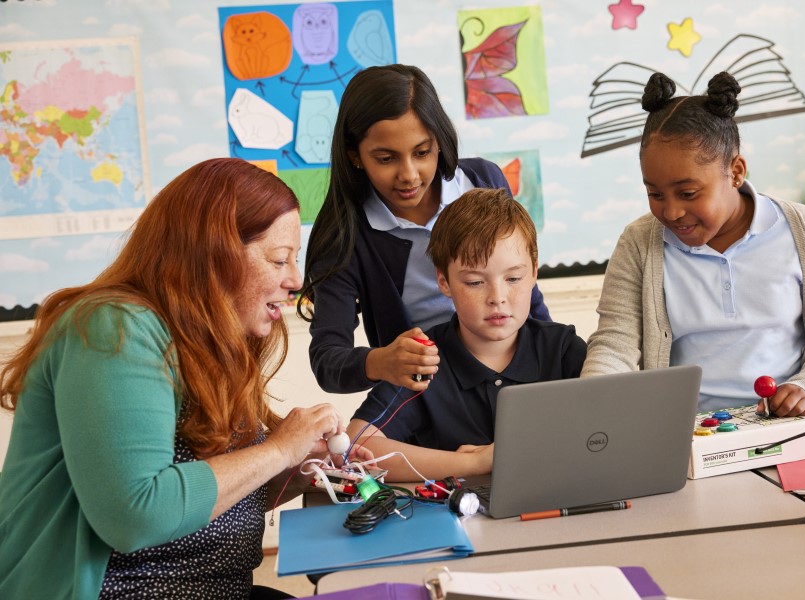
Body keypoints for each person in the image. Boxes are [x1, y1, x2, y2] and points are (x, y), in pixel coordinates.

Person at [0, 158, 370, 599]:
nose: (295, 279)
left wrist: (298, 469)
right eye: (279, 259)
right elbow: (138, 515)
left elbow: (204, 505)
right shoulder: (115, 326)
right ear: (213, 254)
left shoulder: (206, 343)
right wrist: (277, 449)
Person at [581, 71, 805, 420]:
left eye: (688, 193)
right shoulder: (639, 243)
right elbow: (616, 343)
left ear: (735, 171)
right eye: (654, 193)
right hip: (688, 435)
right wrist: (592, 405)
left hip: (791, 429)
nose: (670, 211)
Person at [299, 64, 551, 396]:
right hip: (431, 401)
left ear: (440, 141)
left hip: (515, 381)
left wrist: (552, 364)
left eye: (422, 153)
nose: (409, 175)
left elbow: (528, 299)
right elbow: (328, 361)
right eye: (386, 158)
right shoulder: (344, 234)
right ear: (354, 155)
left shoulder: (482, 181)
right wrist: (382, 361)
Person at [346, 188, 586, 481]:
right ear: (444, 281)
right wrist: (476, 463)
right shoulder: (424, 361)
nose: (497, 297)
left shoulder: (562, 350)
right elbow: (357, 448)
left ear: (534, 273)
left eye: (513, 278)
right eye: (474, 282)